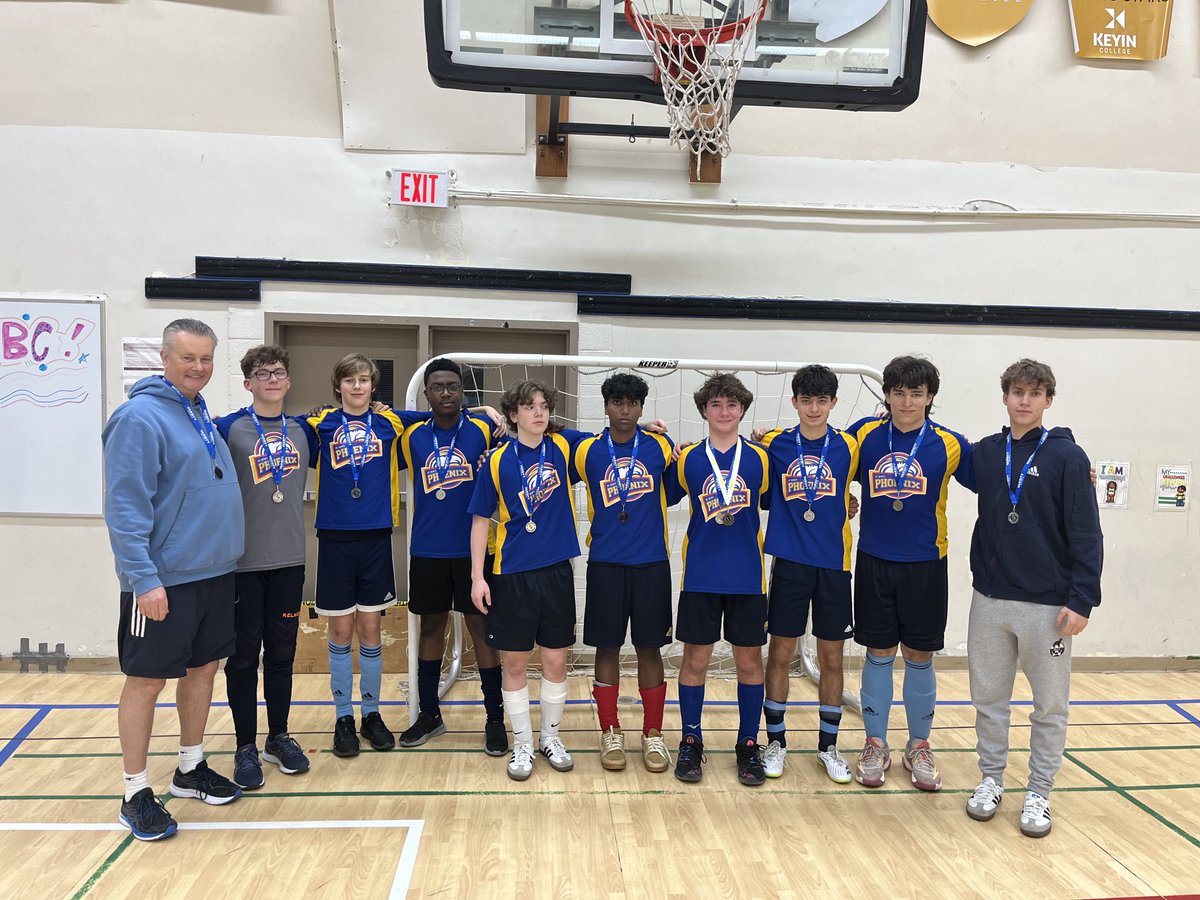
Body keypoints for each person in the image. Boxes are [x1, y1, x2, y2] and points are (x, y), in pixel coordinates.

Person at [102, 318, 245, 841]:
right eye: (188, 358)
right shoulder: (139, 418)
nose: (198, 368)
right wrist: (143, 579)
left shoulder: (199, 411)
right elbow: (123, 506)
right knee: (146, 682)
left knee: (203, 670)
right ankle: (135, 791)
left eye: (206, 359)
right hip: (163, 580)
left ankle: (189, 768)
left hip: (213, 573)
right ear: (163, 358)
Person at [963, 359, 1101, 837]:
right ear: (1004, 397)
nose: (1024, 400)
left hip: (1049, 606)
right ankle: (990, 780)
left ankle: (1039, 791)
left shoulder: (1068, 456)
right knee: (988, 699)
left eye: (1034, 393)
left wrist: (1082, 598)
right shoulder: (985, 453)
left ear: (1047, 400)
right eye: (1016, 392)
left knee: (1050, 705)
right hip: (990, 600)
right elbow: (932, 455)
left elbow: (1087, 533)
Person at [846, 356, 972, 792]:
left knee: (919, 655)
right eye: (898, 392)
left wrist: (1069, 465)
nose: (906, 401)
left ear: (930, 397)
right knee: (878, 651)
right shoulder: (864, 434)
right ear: (887, 394)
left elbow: (999, 473)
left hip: (926, 564)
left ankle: (919, 745)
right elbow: (818, 452)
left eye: (915, 393)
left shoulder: (950, 443)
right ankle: (875, 743)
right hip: (875, 560)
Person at [300, 354, 431, 758]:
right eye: (350, 380)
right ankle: (343, 716)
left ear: (374, 387)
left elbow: (441, 417)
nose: (357, 387)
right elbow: (279, 429)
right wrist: (311, 411)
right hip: (335, 540)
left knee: (372, 630)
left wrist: (486, 411)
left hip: (376, 539)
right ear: (337, 386)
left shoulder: (391, 423)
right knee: (340, 632)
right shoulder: (317, 425)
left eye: (364, 380)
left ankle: (371, 714)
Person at [468, 380, 582, 781]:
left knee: (555, 660)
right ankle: (521, 741)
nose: (539, 412)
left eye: (544, 406)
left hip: (555, 572)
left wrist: (654, 433)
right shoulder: (496, 461)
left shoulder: (566, 448)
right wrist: (477, 577)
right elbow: (480, 521)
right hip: (511, 574)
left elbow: (612, 442)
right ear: (513, 415)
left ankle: (550, 737)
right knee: (514, 663)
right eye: (529, 406)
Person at [571, 373, 683, 773]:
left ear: (641, 407)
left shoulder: (659, 447)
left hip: (651, 562)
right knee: (606, 648)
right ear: (605, 407)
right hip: (604, 563)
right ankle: (610, 729)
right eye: (617, 402)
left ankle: (653, 733)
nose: (624, 410)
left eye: (632, 404)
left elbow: (686, 484)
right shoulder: (585, 450)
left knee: (650, 648)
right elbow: (544, 445)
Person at [397, 358, 507, 756]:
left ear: (464, 392)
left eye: (453, 387)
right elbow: (389, 414)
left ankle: (494, 719)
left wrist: (486, 411)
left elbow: (531, 431)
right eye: (437, 387)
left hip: (474, 552)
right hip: (427, 550)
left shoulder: (483, 431)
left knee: (483, 632)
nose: (446, 393)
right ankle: (429, 714)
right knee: (431, 629)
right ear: (426, 393)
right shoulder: (411, 435)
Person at [214, 345, 312, 790]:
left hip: (290, 560)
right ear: (248, 382)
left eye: (279, 372)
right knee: (242, 658)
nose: (272, 378)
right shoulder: (227, 428)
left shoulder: (306, 429)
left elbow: (368, 419)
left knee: (282, 655)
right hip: (244, 564)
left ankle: (278, 736)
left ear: (288, 381)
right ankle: (244, 746)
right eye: (261, 373)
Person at [757, 365, 860, 783]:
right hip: (790, 563)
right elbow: (730, 456)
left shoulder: (853, 446)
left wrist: (849, 498)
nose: (814, 408)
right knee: (781, 652)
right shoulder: (775, 445)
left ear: (834, 403)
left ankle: (828, 747)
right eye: (806, 400)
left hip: (834, 565)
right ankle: (776, 742)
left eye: (822, 400)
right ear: (794, 401)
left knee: (831, 657)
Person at [673, 373, 771, 787]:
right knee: (695, 659)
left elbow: (788, 495)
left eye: (732, 405)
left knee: (749, 662)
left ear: (743, 409)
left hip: (748, 576)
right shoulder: (687, 459)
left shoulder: (762, 458)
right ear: (704, 411)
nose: (724, 412)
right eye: (715, 405)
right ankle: (691, 739)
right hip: (700, 575)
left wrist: (847, 500)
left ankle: (748, 743)